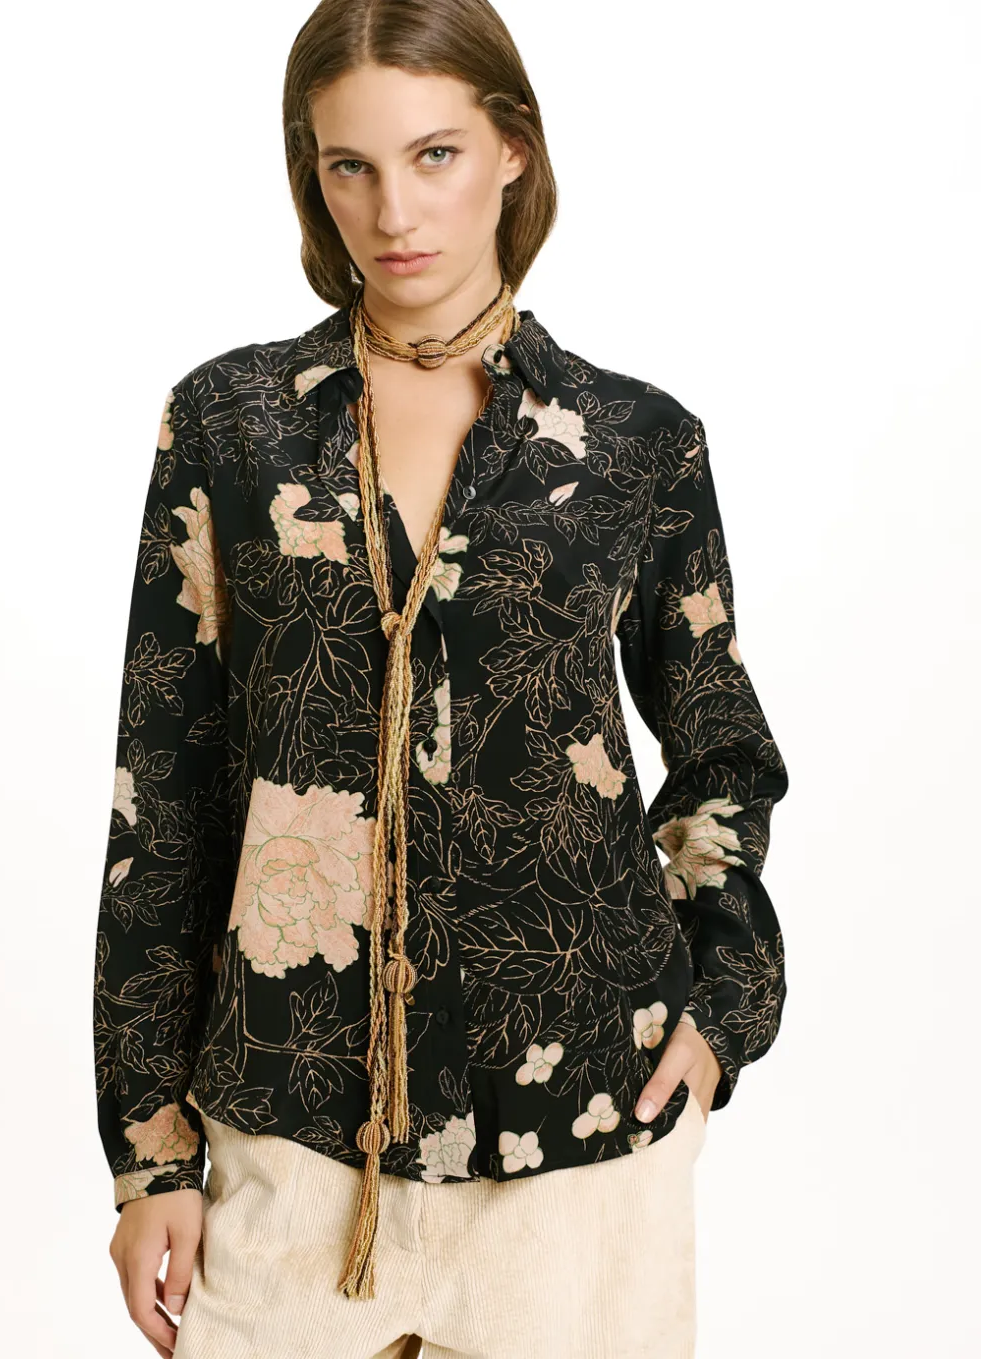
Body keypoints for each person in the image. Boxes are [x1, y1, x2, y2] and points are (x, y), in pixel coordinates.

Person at [94, 2, 790, 1355]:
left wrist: (721, 1010)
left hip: (584, 1138)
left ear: (512, 149)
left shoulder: (636, 443)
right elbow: (162, 792)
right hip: (290, 1128)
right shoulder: (231, 424)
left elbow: (722, 755)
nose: (392, 211)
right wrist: (149, 1151)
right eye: (348, 166)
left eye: (434, 155)